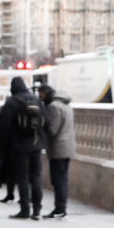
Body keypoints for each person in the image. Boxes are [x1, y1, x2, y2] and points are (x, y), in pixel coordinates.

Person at [0, 76, 47, 220]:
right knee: (36, 175)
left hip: (19, 145)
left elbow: (4, 126)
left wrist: (4, 144)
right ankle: (37, 209)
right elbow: (47, 121)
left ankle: (25, 209)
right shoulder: (36, 100)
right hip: (36, 143)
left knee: (23, 177)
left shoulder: (12, 102)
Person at [39, 85, 74, 219]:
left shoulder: (53, 106)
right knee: (63, 178)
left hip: (58, 148)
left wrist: (42, 130)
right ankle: (61, 206)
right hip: (67, 146)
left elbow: (52, 129)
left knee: (58, 179)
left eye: (40, 94)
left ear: (45, 92)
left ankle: (60, 207)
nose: (39, 97)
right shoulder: (65, 104)